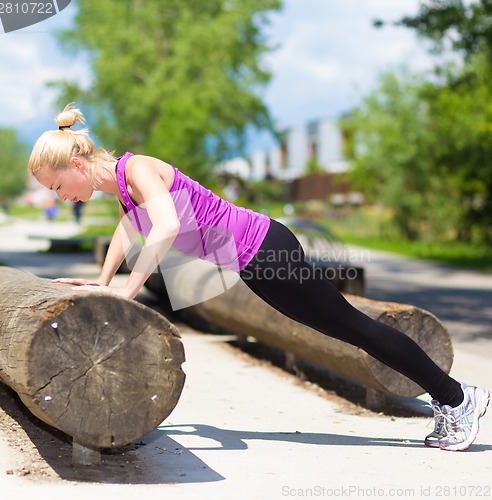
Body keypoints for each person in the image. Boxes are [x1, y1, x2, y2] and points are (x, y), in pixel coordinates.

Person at [28, 103, 489, 452]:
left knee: (355, 327)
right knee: (347, 328)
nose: (60, 196)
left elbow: (165, 226)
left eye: (56, 186)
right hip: (253, 264)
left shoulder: (139, 168)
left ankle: (458, 397)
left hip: (267, 249)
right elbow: (129, 228)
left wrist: (129, 289)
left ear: (77, 165)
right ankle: (452, 398)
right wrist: (103, 279)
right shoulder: (124, 189)